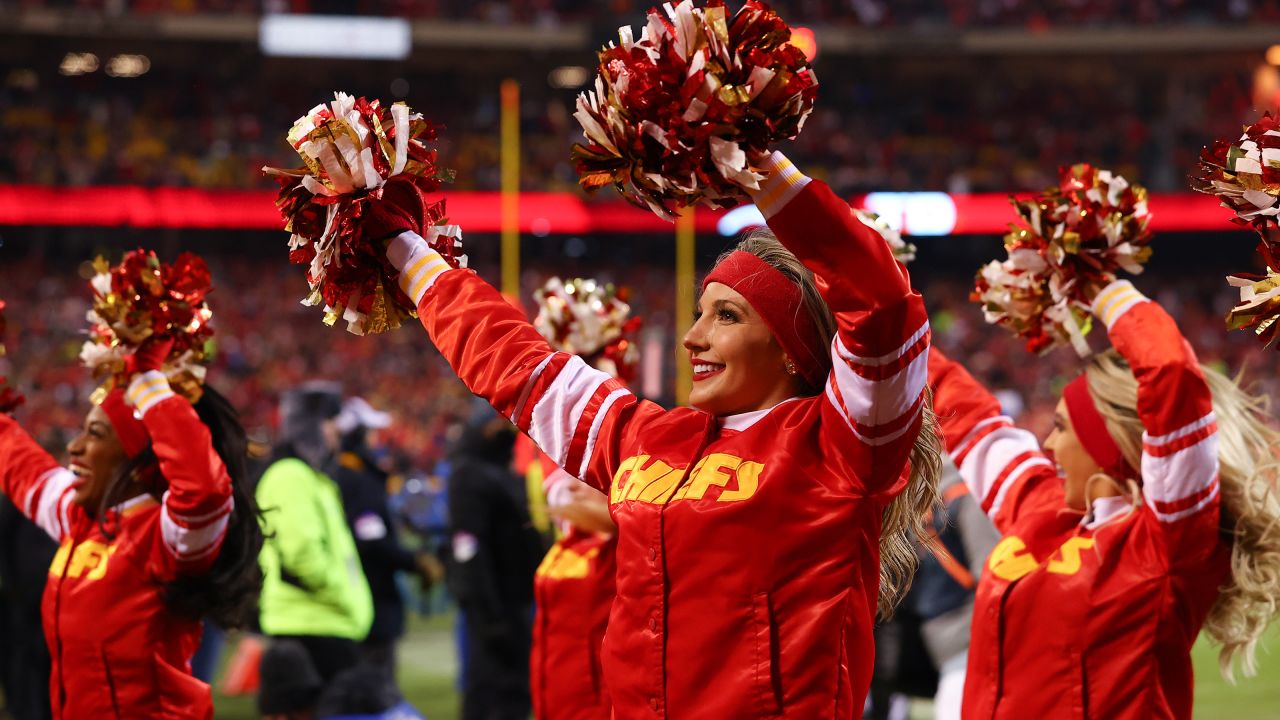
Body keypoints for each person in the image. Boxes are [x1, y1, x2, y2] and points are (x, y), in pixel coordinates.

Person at [362, 149, 942, 716]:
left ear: (793, 349)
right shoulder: (647, 436)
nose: (693, 338)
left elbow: (881, 304)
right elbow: (514, 362)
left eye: (727, 316)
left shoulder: (842, 442)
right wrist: (403, 250)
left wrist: (753, 156)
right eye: (700, 312)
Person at [928, 279, 1280, 718]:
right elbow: (963, 409)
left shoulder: (1165, 544)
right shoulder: (1043, 510)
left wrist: (1101, 286)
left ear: (1105, 445)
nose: (1048, 445)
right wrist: (880, 300)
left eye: (1062, 427)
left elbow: (1170, 372)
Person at [0, 336, 263, 718]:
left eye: (94, 434)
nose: (74, 447)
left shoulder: (167, 537)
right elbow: (23, 469)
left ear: (136, 463)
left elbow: (204, 491)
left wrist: (147, 381)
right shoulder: (81, 519)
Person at [257, 382, 374, 689]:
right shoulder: (290, 476)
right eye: (330, 421)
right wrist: (341, 595)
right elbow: (302, 555)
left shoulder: (310, 477)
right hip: (311, 626)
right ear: (312, 426)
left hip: (321, 623)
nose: (337, 431)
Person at [447, 398, 548, 720]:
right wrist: (489, 617)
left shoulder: (491, 470)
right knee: (494, 694)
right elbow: (468, 551)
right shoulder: (471, 474)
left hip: (513, 603)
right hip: (497, 608)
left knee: (513, 691)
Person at [329, 396, 441, 680]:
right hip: (370, 603)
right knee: (373, 691)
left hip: (349, 602)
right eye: (370, 432)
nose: (375, 440)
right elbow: (373, 542)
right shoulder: (357, 479)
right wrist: (415, 562)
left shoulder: (336, 474)